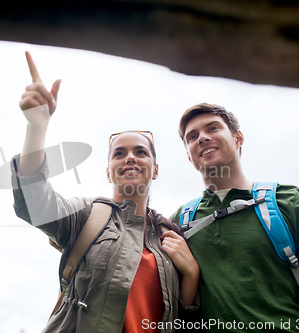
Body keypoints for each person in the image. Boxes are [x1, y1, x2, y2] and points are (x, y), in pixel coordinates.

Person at [11, 51, 200, 333]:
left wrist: (192, 275)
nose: (130, 158)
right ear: (108, 170)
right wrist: (36, 127)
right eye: (119, 154)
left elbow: (185, 321)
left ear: (156, 169)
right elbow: (34, 203)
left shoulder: (171, 235)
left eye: (141, 152)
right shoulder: (86, 215)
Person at [169, 103, 299, 332]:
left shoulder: (289, 200)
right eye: (192, 136)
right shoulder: (178, 222)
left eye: (213, 128)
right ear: (189, 155)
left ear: (238, 139)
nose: (202, 138)